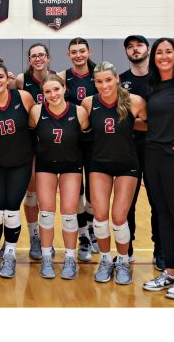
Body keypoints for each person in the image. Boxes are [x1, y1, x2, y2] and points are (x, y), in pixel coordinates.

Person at [81, 62, 146, 285]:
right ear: (94, 83)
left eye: (108, 80)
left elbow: (150, 125)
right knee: (99, 216)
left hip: (127, 164)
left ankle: (124, 261)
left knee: (119, 217)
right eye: (99, 81)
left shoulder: (134, 101)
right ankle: (106, 260)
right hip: (99, 164)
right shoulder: (89, 103)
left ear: (117, 78)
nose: (104, 85)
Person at [142, 38, 174, 300]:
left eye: (168, 51)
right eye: (159, 52)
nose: (163, 56)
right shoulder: (151, 86)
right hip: (153, 157)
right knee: (161, 215)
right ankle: (169, 272)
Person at [28, 74, 89, 280]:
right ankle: (46, 257)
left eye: (56, 89)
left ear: (64, 88)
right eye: (47, 91)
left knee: (69, 212)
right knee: (46, 211)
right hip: (45, 166)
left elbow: (88, 141)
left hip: (71, 166)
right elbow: (28, 138)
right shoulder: (37, 111)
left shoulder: (79, 111)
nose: (52, 95)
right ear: (42, 94)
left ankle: (70, 258)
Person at [0, 59, 35, 278]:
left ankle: (10, 254)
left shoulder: (23, 97)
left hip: (20, 164)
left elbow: (39, 123)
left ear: (8, 78)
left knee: (12, 210)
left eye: (0, 76)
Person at [119, 35, 163, 270]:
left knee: (158, 201)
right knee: (128, 203)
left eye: (139, 46)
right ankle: (128, 249)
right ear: (126, 52)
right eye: (130, 47)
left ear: (148, 49)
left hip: (157, 148)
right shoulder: (121, 82)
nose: (135, 50)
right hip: (129, 148)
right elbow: (121, 119)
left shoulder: (160, 79)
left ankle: (161, 250)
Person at [58, 37, 98, 263]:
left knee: (94, 190)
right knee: (77, 192)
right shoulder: (64, 77)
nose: (78, 55)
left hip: (95, 141)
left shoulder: (98, 75)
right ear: (68, 54)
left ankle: (92, 230)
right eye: (74, 51)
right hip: (71, 142)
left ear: (89, 51)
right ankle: (83, 234)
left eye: (82, 51)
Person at [14, 43, 55, 261]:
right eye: (33, 56)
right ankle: (34, 237)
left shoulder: (59, 79)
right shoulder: (21, 80)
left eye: (41, 55)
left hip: (52, 141)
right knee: (32, 193)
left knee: (48, 196)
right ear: (29, 59)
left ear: (48, 58)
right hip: (30, 140)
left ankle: (76, 236)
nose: (38, 58)